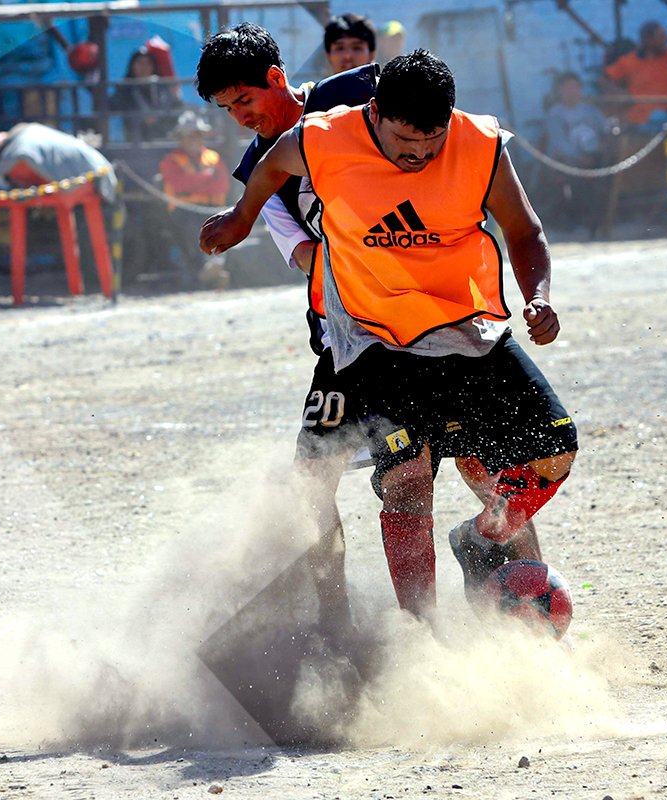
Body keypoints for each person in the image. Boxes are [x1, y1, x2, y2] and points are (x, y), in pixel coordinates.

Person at [200, 50, 579, 617]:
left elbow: (525, 230)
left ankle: (485, 545)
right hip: (369, 336)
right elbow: (275, 164)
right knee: (397, 475)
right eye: (406, 145)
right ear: (375, 114)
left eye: (431, 144)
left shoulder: (478, 144)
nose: (419, 157)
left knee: (547, 451)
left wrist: (539, 297)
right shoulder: (320, 138)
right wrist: (242, 217)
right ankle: (408, 634)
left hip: (464, 326)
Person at [195, 22, 382, 628]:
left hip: (432, 311)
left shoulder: (359, 94)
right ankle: (336, 621)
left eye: (245, 100)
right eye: (228, 109)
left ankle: (495, 577)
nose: (240, 117)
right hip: (347, 333)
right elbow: (306, 258)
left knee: (444, 469)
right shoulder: (259, 170)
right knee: (311, 481)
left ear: (277, 79)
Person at [0, 122, 122, 287]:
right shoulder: (29, 137)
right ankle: (88, 286)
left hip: (84, 180)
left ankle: (18, 289)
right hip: (89, 174)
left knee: (15, 206)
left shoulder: (18, 151)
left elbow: (18, 168)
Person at [158, 111, 230, 283]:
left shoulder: (214, 157)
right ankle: (206, 269)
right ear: (180, 139)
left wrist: (196, 182)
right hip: (184, 212)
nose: (193, 140)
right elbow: (179, 184)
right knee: (194, 232)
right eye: (189, 136)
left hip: (212, 209)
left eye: (197, 135)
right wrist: (206, 178)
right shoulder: (170, 161)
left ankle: (215, 268)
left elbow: (222, 185)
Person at [541, 72, 610, 236]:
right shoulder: (555, 114)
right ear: (560, 91)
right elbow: (559, 144)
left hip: (594, 159)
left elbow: (605, 130)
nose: (572, 91)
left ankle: (602, 220)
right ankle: (579, 222)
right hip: (568, 163)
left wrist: (603, 147)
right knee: (577, 182)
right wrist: (579, 158)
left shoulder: (591, 111)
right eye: (567, 88)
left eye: (575, 87)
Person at [601, 20, 667, 126]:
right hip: (640, 121)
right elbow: (605, 79)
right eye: (661, 36)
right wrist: (621, 95)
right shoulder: (629, 61)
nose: (666, 40)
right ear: (648, 39)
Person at [113, 47, 182, 141]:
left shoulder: (161, 86)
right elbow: (115, 107)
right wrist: (142, 118)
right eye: (140, 63)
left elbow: (176, 106)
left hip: (163, 137)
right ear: (132, 66)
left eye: (148, 63)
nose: (144, 67)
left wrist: (158, 116)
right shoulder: (125, 88)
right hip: (135, 141)